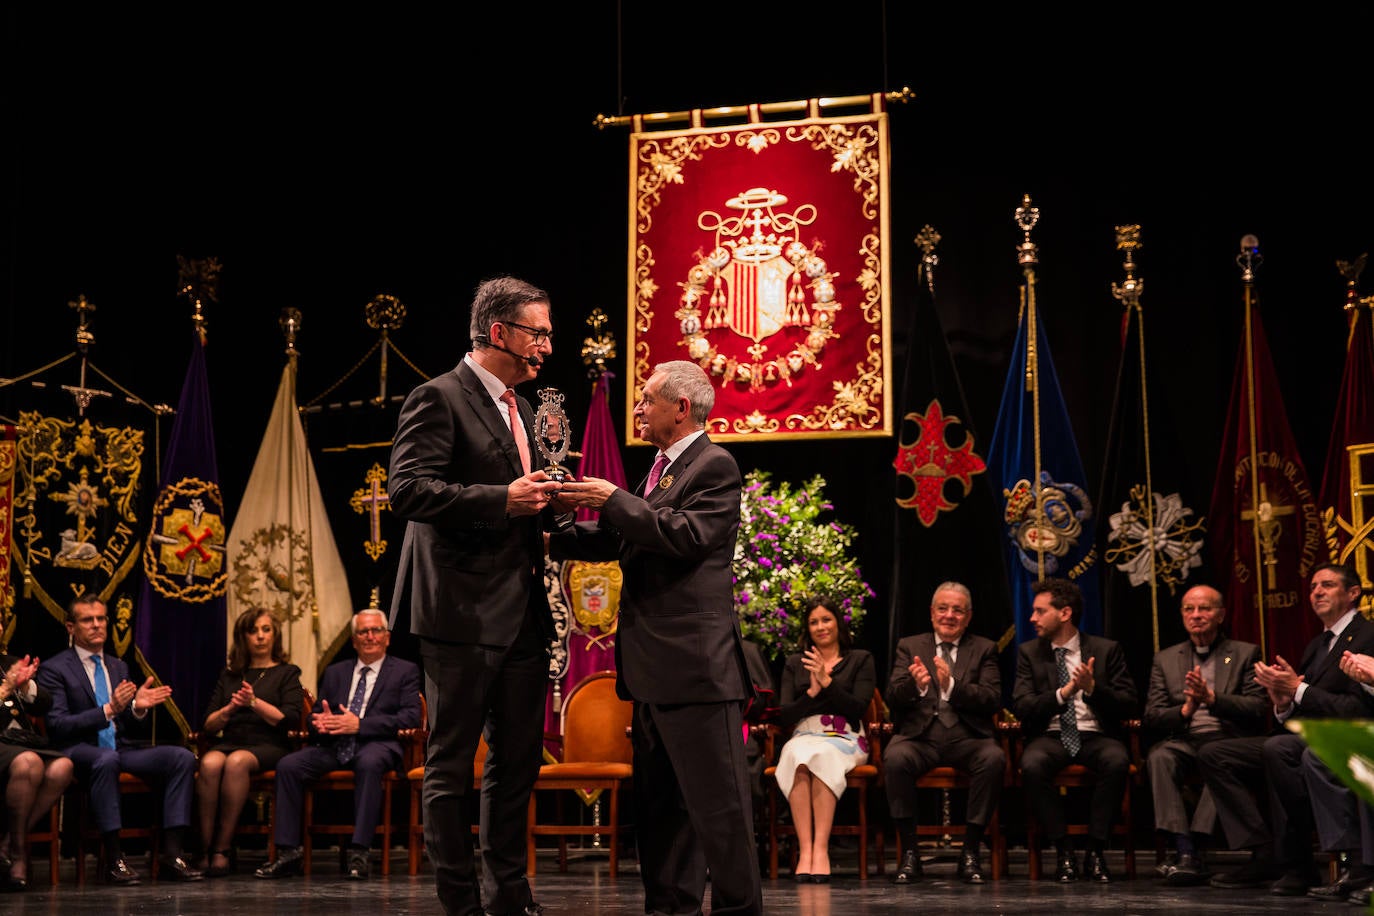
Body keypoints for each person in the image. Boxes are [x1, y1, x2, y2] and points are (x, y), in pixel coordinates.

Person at [552, 359, 763, 915]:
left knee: (720, 813)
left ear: (681, 407)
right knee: (662, 812)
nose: (639, 409)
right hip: (651, 674)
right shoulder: (660, 470)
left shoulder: (715, 465)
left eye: (646, 400)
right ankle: (671, 908)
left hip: (696, 673)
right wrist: (555, 531)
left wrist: (612, 499)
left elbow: (686, 535)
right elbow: (631, 540)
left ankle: (740, 910)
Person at [386, 275, 561, 916]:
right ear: (500, 333)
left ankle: (510, 892)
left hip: (521, 613)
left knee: (517, 761)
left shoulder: (524, 408)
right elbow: (408, 492)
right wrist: (503, 500)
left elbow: (522, 497)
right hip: (460, 611)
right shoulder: (438, 398)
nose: (545, 346)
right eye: (537, 333)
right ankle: (459, 901)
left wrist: (554, 503)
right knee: (452, 761)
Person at [1199, 563, 1374, 895]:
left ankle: (1330, 861)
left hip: (1346, 735)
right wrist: (1283, 702)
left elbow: (1357, 709)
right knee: (1221, 753)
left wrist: (1298, 689)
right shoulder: (1317, 645)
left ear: (1353, 594)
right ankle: (1274, 852)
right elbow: (1300, 701)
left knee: (1290, 753)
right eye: (1312, 588)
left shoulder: (1368, 635)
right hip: (1307, 735)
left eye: (1327, 585)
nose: (1316, 592)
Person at [35, 591, 202, 883]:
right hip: (77, 750)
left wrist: (137, 707)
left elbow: (125, 723)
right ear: (71, 627)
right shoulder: (55, 668)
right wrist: (109, 708)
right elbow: (59, 725)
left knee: (182, 757)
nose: (97, 625)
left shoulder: (117, 665)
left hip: (119, 748)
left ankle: (172, 855)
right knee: (106, 759)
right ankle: (114, 859)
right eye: (88, 620)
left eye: (101, 619)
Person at [254, 608, 422, 881]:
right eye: (362, 632)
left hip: (376, 745)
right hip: (334, 746)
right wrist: (319, 723)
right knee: (289, 765)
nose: (369, 637)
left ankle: (360, 852)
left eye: (375, 631)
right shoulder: (336, 672)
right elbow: (316, 716)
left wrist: (360, 725)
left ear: (387, 638)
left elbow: (411, 716)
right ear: (354, 640)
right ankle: (287, 853)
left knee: (369, 763)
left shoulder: (404, 670)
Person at [1011, 576, 1138, 883]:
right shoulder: (1029, 653)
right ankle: (1063, 850)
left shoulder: (1106, 650)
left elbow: (1130, 704)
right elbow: (1022, 706)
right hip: (1051, 734)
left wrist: (1093, 688)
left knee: (1117, 761)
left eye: (1040, 611)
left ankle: (1096, 850)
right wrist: (1063, 693)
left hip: (1095, 733)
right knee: (1031, 764)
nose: (1032, 618)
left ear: (1064, 613)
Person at [1142, 584, 1267, 885]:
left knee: (1218, 757)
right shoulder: (1166, 659)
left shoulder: (1244, 653)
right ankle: (1184, 847)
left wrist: (1213, 700)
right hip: (1184, 739)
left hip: (1228, 738)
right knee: (1159, 756)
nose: (1196, 615)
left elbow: (1259, 707)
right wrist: (1185, 710)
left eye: (1205, 608)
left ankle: (1193, 848)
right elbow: (1152, 715)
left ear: (1221, 614)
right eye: (1189, 609)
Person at [885, 581, 1004, 885]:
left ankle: (970, 850)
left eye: (957, 610)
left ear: (968, 616)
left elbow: (992, 698)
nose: (949, 615)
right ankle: (910, 853)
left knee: (993, 759)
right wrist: (917, 686)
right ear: (931, 612)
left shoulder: (985, 648)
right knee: (896, 758)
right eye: (943, 608)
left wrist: (952, 686)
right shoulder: (909, 646)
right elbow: (893, 696)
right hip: (921, 737)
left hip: (967, 737)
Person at [772, 598, 876, 883]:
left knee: (821, 755)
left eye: (826, 619)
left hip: (845, 737)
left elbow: (857, 708)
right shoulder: (795, 663)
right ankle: (805, 851)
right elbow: (783, 715)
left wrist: (828, 683)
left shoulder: (860, 659)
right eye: (814, 621)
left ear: (838, 623)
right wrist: (812, 693)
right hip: (804, 734)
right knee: (796, 755)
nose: (821, 627)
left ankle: (821, 851)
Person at [195, 607, 304, 877]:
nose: (260, 636)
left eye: (266, 630)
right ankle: (202, 848)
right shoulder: (230, 676)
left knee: (236, 762)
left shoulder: (286, 672)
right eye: (253, 631)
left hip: (268, 744)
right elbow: (208, 725)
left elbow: (288, 718)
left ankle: (222, 849)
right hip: (232, 739)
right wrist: (230, 709)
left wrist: (254, 703)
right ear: (242, 637)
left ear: (274, 635)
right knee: (209, 762)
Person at [0, 652, 74, 892]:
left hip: (20, 742)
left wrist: (25, 685)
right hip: (8, 748)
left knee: (63, 766)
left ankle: (7, 844)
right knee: (30, 763)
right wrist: (6, 688)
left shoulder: (7, 662)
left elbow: (44, 704)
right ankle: (19, 854)